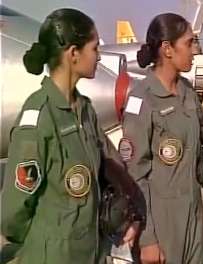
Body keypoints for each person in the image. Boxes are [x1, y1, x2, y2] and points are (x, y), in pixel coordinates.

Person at [1, 8, 142, 264]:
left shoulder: (85, 110)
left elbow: (105, 171)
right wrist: (46, 240)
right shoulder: (39, 116)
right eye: (95, 49)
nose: (99, 58)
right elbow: (13, 214)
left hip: (89, 253)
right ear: (73, 54)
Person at [120, 13, 203, 264]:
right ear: (167, 49)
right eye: (190, 43)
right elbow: (134, 173)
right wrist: (148, 239)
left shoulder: (188, 93)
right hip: (160, 219)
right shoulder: (142, 98)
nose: (195, 50)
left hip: (192, 211)